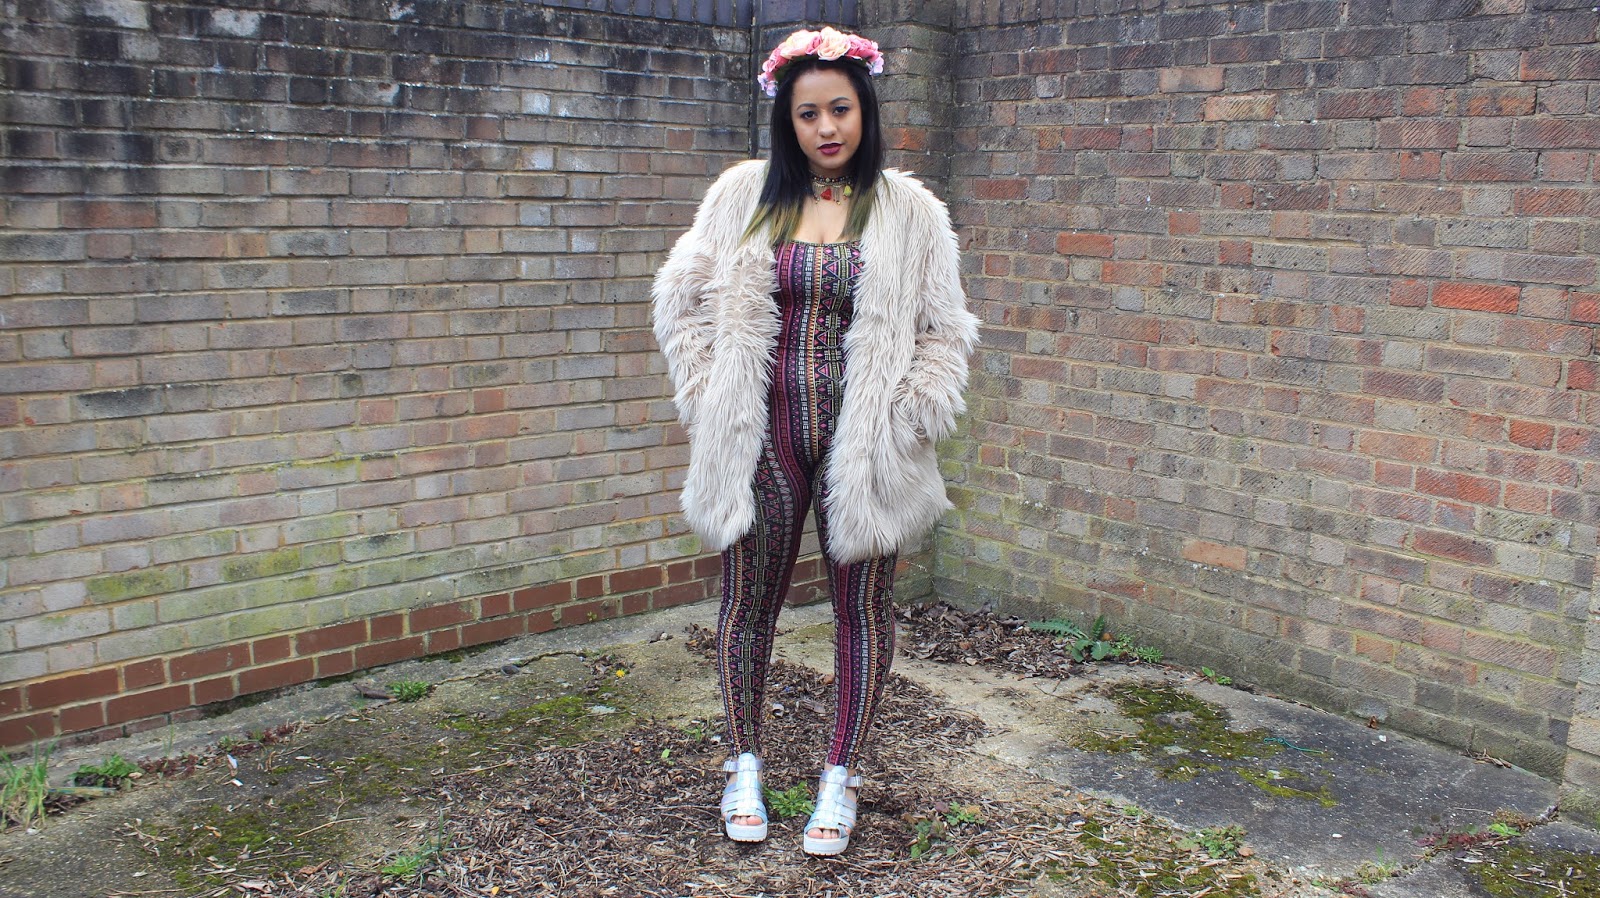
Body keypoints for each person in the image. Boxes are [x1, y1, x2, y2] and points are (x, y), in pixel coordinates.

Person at [651, 26, 979, 857]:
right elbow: (683, 300)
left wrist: (910, 416)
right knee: (747, 604)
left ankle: (842, 775)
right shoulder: (743, 195)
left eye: (840, 109)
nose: (826, 128)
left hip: (865, 447)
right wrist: (708, 397)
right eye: (807, 114)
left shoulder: (912, 212)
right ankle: (743, 765)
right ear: (786, 120)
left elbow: (944, 330)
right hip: (760, 441)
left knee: (862, 610)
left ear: (865, 109)